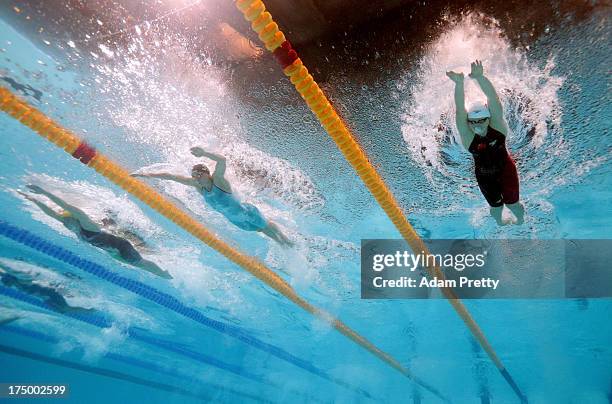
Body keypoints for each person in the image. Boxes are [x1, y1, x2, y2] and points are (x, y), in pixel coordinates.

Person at [131, 147, 293, 247]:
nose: (195, 177)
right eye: (193, 175)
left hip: (246, 212)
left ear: (206, 173)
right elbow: (171, 176)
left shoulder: (218, 180)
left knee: (266, 226)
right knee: (261, 230)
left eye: (198, 174)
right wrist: (145, 174)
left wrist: (204, 153)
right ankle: (282, 244)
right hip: (235, 220)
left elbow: (222, 160)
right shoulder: (197, 186)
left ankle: (286, 239)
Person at [19, 185, 171, 279]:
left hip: (121, 247)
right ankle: (160, 264)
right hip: (113, 252)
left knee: (141, 263)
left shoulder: (87, 225)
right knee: (139, 263)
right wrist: (33, 200)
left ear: (74, 218)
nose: (64, 224)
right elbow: (50, 213)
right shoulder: (75, 227)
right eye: (64, 222)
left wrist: (44, 192)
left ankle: (163, 273)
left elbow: (67, 206)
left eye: (66, 221)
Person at [446, 60, 525, 225]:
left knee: (513, 205)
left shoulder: (498, 127)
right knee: (496, 210)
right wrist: (459, 83)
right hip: (484, 177)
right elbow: (460, 110)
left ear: (489, 118)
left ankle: (520, 219)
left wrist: (479, 77)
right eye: (473, 121)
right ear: (468, 122)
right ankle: (501, 223)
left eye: (482, 120)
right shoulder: (468, 136)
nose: (478, 125)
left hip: (506, 170)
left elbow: (492, 98)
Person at [0, 263, 95, 315]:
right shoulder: (17, 283)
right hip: (46, 297)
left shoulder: (22, 282)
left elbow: (34, 283)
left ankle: (91, 310)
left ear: (10, 280)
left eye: (6, 283)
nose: (6, 285)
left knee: (65, 309)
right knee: (61, 311)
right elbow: (3, 273)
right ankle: (88, 309)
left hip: (51, 294)